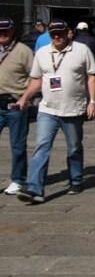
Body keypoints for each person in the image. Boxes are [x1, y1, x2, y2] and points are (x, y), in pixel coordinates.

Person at [16, 19, 95, 203]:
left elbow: (91, 76)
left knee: (74, 148)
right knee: (41, 147)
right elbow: (36, 79)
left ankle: (76, 179)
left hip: (73, 108)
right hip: (47, 109)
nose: (56, 37)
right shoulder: (42, 52)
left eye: (60, 33)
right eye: (53, 33)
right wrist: (25, 97)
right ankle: (34, 188)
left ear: (68, 32)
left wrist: (92, 101)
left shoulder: (81, 50)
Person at [0, 17, 34, 195]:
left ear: (13, 31)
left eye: (6, 30)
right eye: (0, 30)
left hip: (14, 103)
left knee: (17, 145)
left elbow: (34, 75)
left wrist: (26, 97)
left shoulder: (23, 51)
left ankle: (18, 179)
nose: (2, 34)